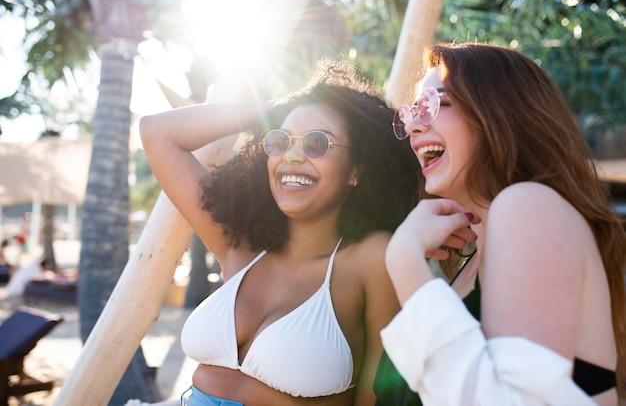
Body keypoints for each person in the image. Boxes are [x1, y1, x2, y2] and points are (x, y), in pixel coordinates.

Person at [139, 58, 422, 406]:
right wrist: (282, 107)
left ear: (356, 171)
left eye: (317, 143)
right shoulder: (240, 246)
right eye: (280, 140)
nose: (291, 157)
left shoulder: (370, 260)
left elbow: (375, 397)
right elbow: (156, 132)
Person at [376, 42, 626, 406]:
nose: (413, 125)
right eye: (412, 111)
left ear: (501, 113)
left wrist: (403, 260)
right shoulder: (469, 259)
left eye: (436, 104)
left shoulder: (528, 205)